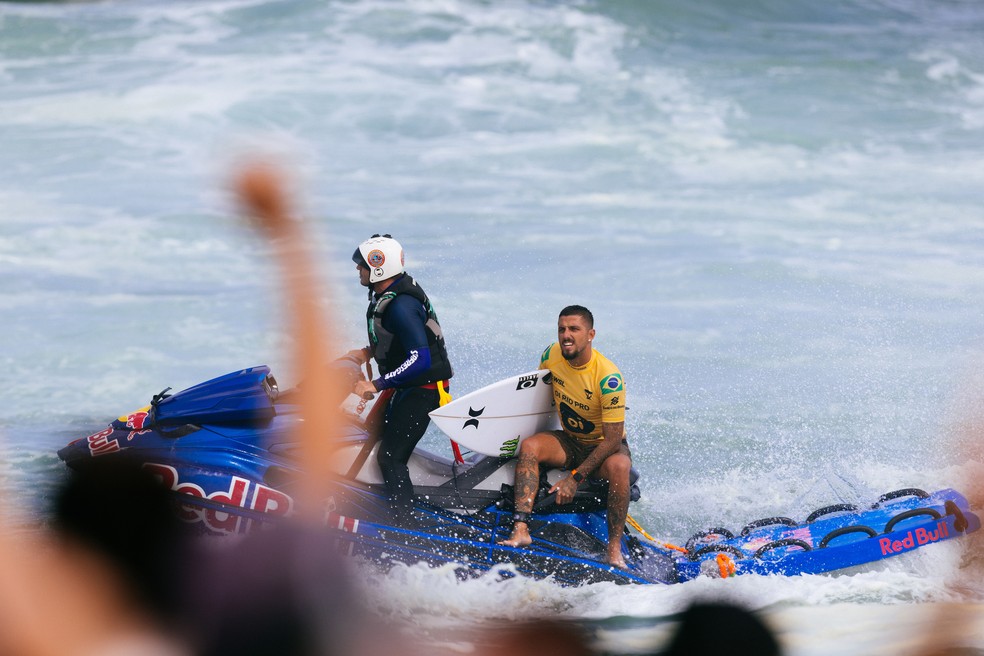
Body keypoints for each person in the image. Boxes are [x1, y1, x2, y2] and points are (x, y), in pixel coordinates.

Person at [499, 305, 631, 568]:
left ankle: (613, 549)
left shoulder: (608, 378)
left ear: (591, 334)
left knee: (620, 466)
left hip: (603, 448)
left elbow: (613, 440)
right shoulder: (551, 355)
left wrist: (575, 478)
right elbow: (538, 399)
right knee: (531, 446)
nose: (566, 335)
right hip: (570, 440)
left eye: (574, 329)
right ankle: (521, 529)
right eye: (562, 329)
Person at [346, 234, 454, 512]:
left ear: (378, 267)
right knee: (366, 436)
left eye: (362, 266)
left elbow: (419, 358)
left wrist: (377, 384)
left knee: (391, 457)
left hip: (423, 392)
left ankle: (404, 529)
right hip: (407, 386)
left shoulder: (401, 306)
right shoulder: (388, 295)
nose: (358, 270)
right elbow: (395, 340)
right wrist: (367, 352)